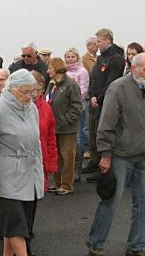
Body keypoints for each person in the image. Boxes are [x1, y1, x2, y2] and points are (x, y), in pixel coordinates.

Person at [86, 53, 145, 256]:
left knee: (144, 201)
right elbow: (106, 124)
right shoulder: (117, 89)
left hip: (144, 156)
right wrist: (106, 154)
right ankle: (95, 242)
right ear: (133, 68)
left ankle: (139, 245)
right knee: (111, 199)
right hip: (120, 155)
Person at [0, 69, 45, 256]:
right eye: (25, 92)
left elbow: (36, 140)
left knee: (17, 219)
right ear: (12, 90)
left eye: (32, 92)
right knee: (15, 220)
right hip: (7, 171)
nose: (29, 96)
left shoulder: (31, 107)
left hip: (29, 169)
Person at [83, 28, 125, 179]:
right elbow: (94, 78)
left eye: (99, 42)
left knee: (105, 135)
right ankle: (95, 163)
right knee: (94, 133)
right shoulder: (100, 58)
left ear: (108, 40)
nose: (97, 45)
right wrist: (93, 95)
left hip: (107, 102)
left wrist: (100, 99)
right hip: (95, 102)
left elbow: (111, 82)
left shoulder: (117, 59)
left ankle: (105, 169)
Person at [46, 57, 82, 195]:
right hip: (54, 127)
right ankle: (57, 182)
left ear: (56, 68)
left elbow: (77, 106)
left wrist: (67, 120)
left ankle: (67, 184)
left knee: (67, 157)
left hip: (67, 129)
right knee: (57, 157)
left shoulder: (70, 85)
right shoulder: (52, 84)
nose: (48, 71)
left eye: (50, 68)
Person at [64, 47, 90, 177]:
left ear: (77, 57)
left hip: (78, 108)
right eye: (68, 57)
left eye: (72, 57)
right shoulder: (64, 72)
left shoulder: (82, 71)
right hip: (64, 110)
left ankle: (77, 168)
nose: (70, 59)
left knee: (78, 139)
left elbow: (84, 92)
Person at [31, 71, 57, 192]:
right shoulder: (17, 108)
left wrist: (51, 163)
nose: (33, 93)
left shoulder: (46, 108)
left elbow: (51, 138)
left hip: (42, 160)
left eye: (36, 88)